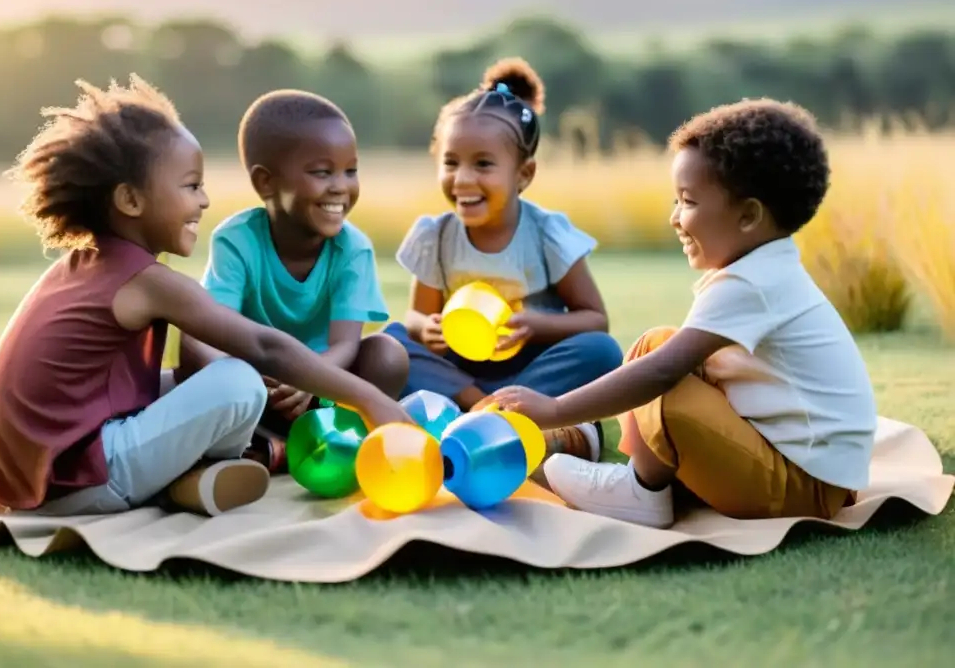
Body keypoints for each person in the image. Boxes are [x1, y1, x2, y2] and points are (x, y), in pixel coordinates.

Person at [0, 75, 411, 519]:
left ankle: (207, 473)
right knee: (236, 380)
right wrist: (371, 399)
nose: (203, 201)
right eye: (190, 185)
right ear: (130, 199)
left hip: (41, 472)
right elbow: (264, 346)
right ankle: (231, 463)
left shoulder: (83, 266)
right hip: (79, 482)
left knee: (181, 383)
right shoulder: (148, 280)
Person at [477, 98, 878, 529]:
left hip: (804, 487)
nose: (674, 218)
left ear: (749, 216)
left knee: (663, 386)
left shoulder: (752, 284)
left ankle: (642, 494)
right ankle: (647, 482)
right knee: (657, 342)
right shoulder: (764, 269)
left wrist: (555, 410)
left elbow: (660, 374)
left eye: (687, 201)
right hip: (799, 469)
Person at [383, 57, 624, 465]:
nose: (462, 180)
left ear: (523, 174)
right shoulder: (436, 235)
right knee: (389, 343)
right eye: (451, 162)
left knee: (602, 351)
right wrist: (429, 326)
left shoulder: (546, 233)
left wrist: (536, 324)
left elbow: (594, 319)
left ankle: (496, 411)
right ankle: (483, 409)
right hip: (459, 375)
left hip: (532, 370)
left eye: (483, 164)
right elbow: (415, 320)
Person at [177, 90, 408, 473]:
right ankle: (259, 441)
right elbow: (216, 327)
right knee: (193, 339)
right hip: (254, 386)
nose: (340, 186)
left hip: (324, 388)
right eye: (322, 172)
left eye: (350, 170)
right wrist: (249, 378)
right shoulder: (236, 240)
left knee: (388, 353)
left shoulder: (353, 249)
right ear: (266, 183)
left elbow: (346, 343)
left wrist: (311, 381)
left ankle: (327, 440)